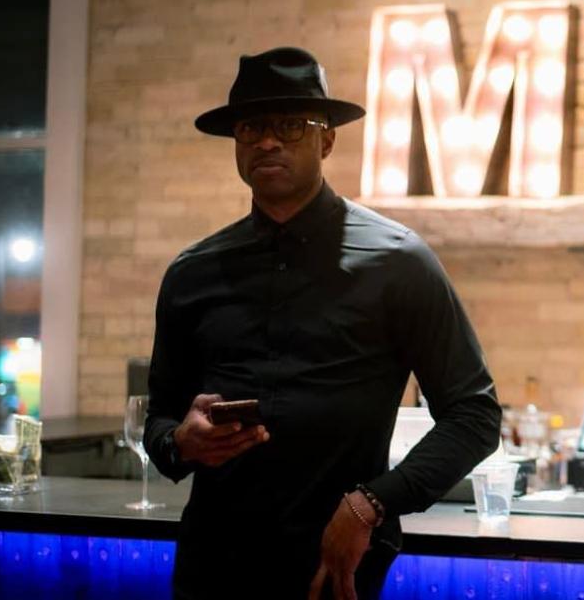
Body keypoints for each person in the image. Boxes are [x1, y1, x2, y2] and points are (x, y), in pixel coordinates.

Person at [143, 47, 501, 600]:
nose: (268, 141)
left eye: (290, 125)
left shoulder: (398, 261)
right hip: (212, 567)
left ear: (327, 140)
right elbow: (160, 420)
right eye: (252, 127)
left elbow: (474, 416)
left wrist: (371, 504)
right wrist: (180, 444)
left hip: (333, 571)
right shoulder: (192, 273)